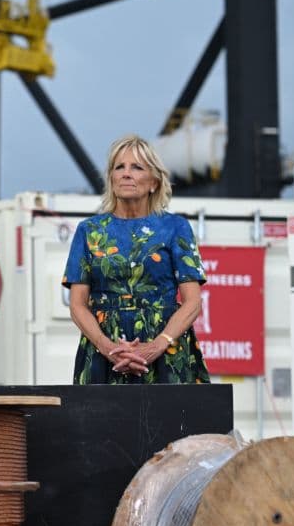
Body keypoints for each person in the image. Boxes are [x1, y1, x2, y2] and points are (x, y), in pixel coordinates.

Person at [62, 134, 210, 384]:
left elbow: (192, 301)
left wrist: (158, 345)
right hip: (104, 353)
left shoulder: (175, 227)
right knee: (99, 421)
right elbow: (77, 304)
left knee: (174, 422)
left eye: (136, 167)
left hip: (166, 352)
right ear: (111, 178)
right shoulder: (89, 230)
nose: (126, 173)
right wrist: (108, 347)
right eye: (119, 167)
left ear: (154, 181)